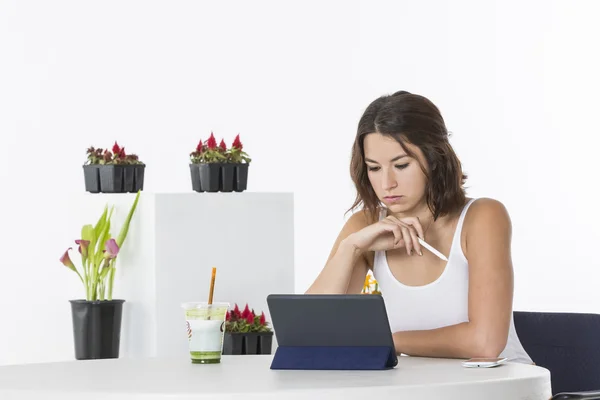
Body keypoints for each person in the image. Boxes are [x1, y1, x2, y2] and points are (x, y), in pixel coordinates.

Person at [306, 90, 532, 364]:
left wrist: (386, 340)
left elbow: (484, 343)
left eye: (401, 165)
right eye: (374, 168)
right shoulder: (365, 226)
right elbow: (309, 336)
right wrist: (350, 248)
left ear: (434, 159)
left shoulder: (482, 217)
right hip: (420, 388)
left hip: (503, 387)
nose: (387, 183)